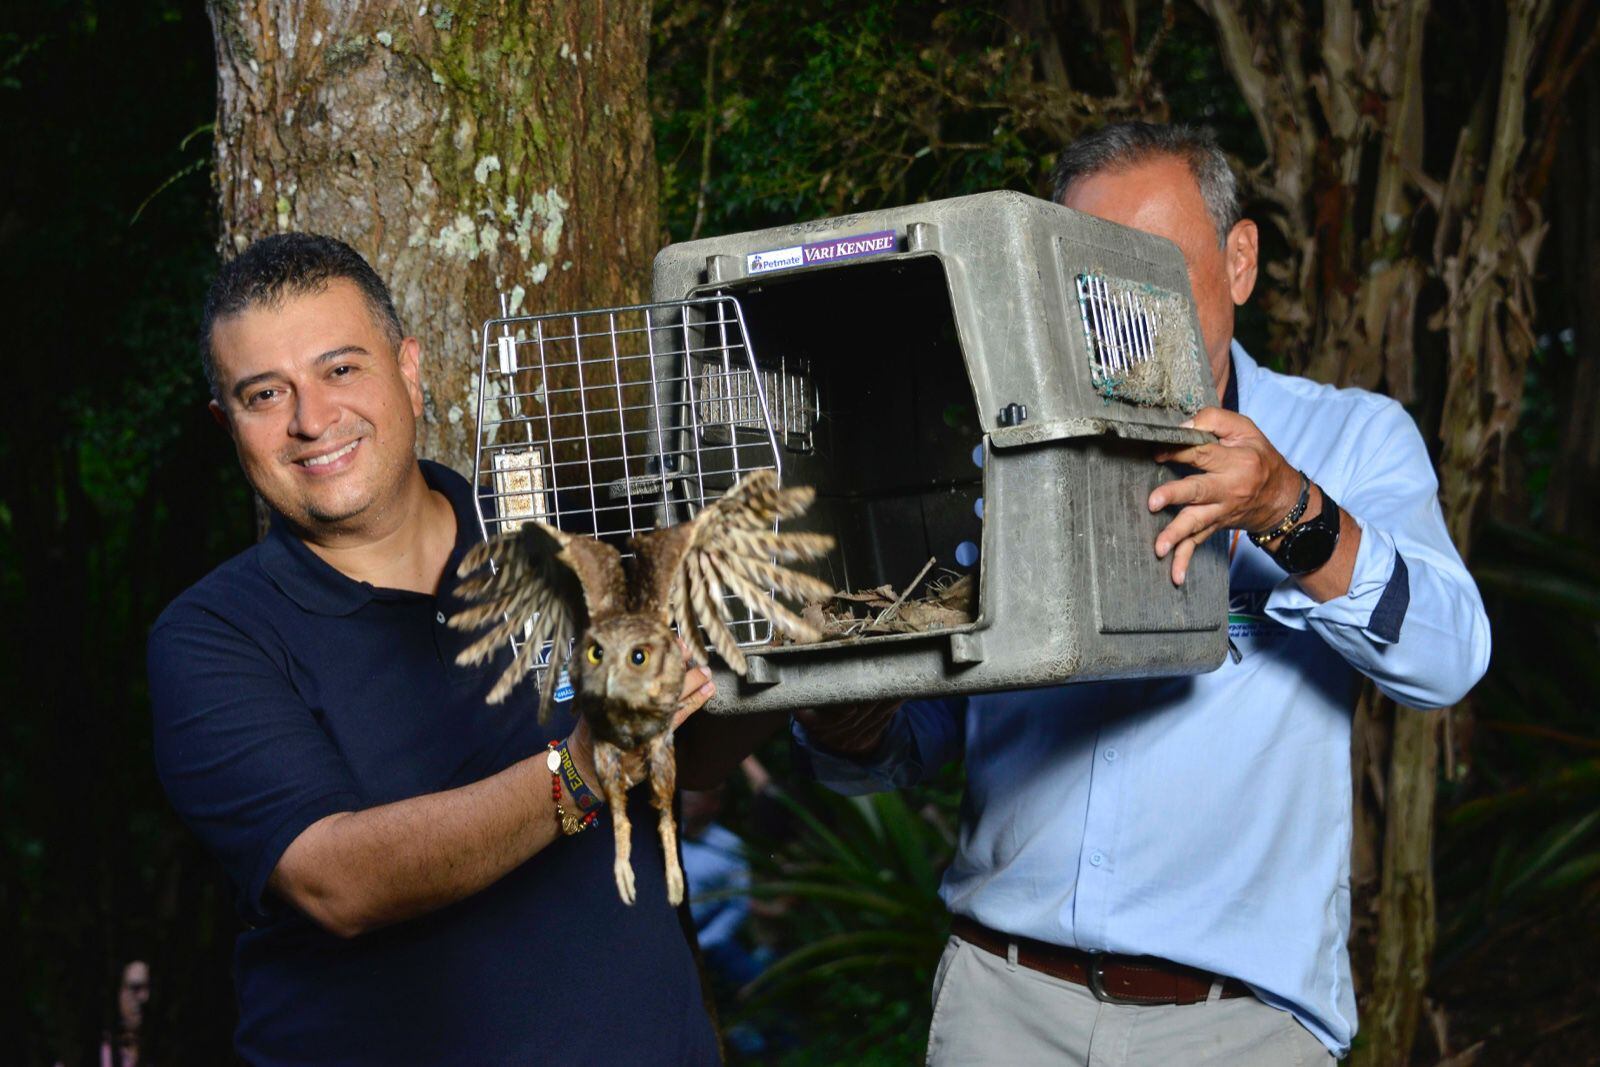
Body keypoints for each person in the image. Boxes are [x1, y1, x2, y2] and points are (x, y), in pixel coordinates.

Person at [792, 123, 1491, 1065]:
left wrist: (1286, 508)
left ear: (1239, 261)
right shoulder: (996, 453)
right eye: (1088, 277)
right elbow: (915, 735)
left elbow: (1449, 657)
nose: (1120, 309)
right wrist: (843, 711)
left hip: (1235, 1029)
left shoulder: (1351, 439)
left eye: (1151, 267)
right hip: (1005, 1006)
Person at [147, 233, 766, 1065]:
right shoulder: (212, 638)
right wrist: (581, 768)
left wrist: (807, 668)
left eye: (340, 369)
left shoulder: (566, 541)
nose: (312, 420)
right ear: (229, 424)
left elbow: (692, 749)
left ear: (409, 370)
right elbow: (336, 880)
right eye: (265, 393)